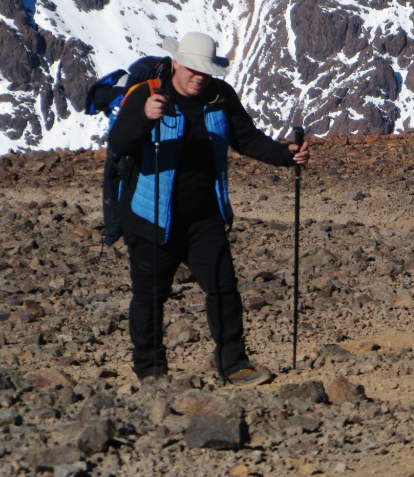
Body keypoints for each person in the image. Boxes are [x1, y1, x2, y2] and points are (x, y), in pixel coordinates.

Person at [108, 31, 309, 385]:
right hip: (150, 216)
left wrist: (284, 155)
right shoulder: (147, 94)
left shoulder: (220, 96)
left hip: (204, 215)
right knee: (150, 296)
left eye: (205, 70)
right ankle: (151, 371)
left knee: (223, 287)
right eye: (192, 69)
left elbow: (245, 138)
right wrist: (143, 117)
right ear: (176, 63)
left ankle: (234, 365)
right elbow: (118, 144)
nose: (199, 76)